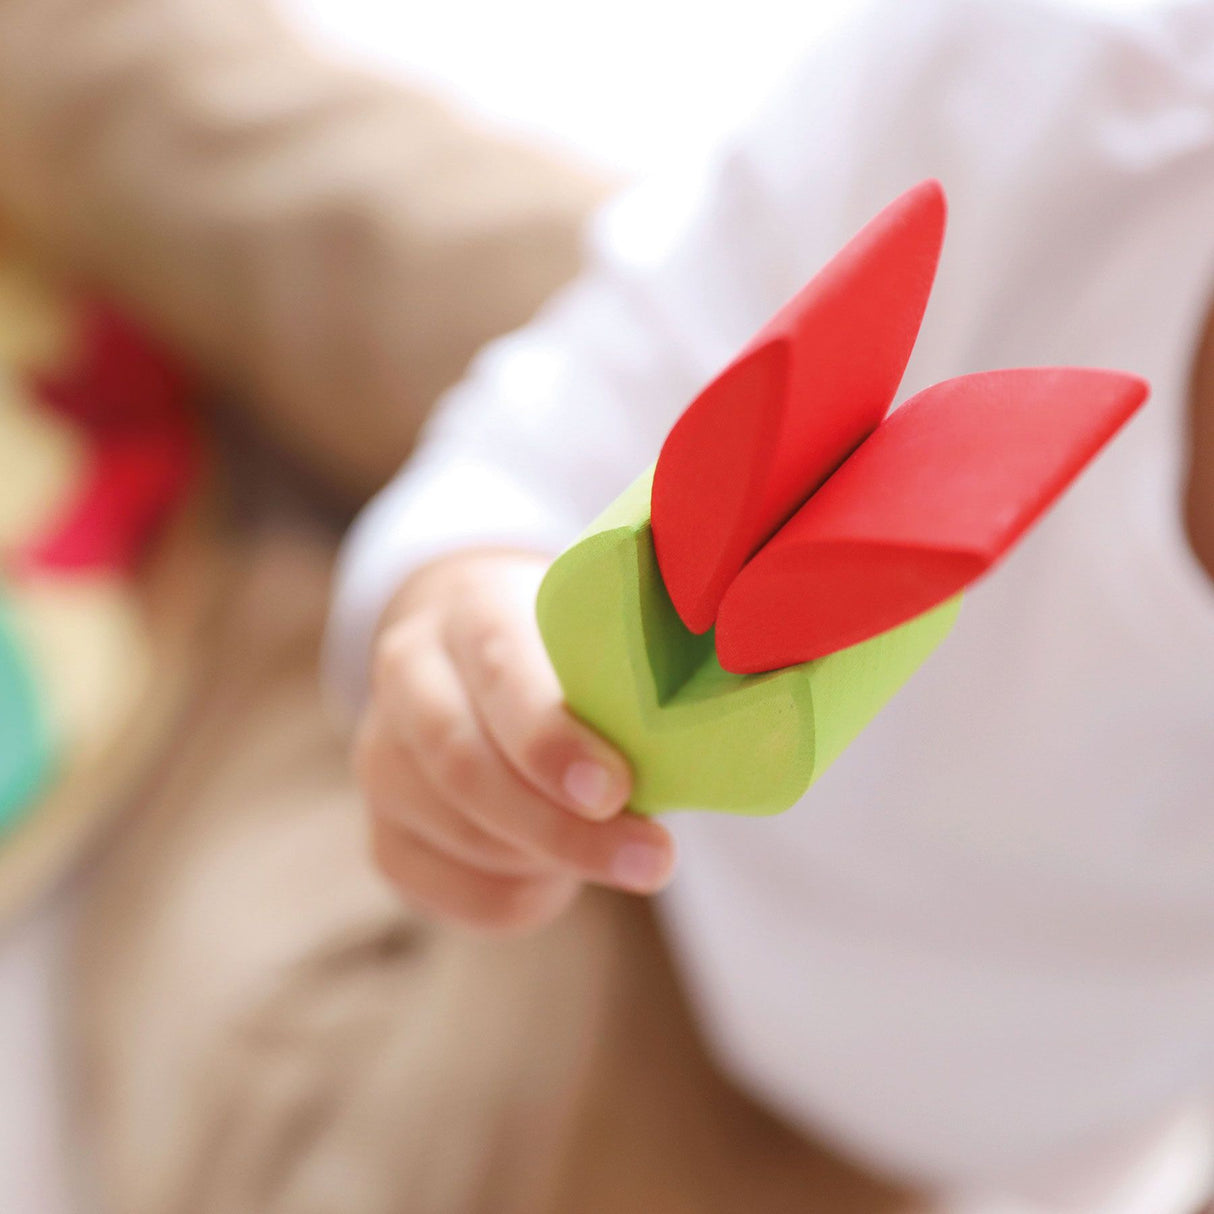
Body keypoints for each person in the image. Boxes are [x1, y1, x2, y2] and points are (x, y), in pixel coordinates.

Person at [76, 0, 1214, 1212]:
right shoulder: (1054, 77)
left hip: (787, 1071)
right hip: (716, 438)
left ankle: (260, 564)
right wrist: (458, 564)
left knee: (323, 1127)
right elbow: (584, 394)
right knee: (272, 180)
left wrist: (415, 633)